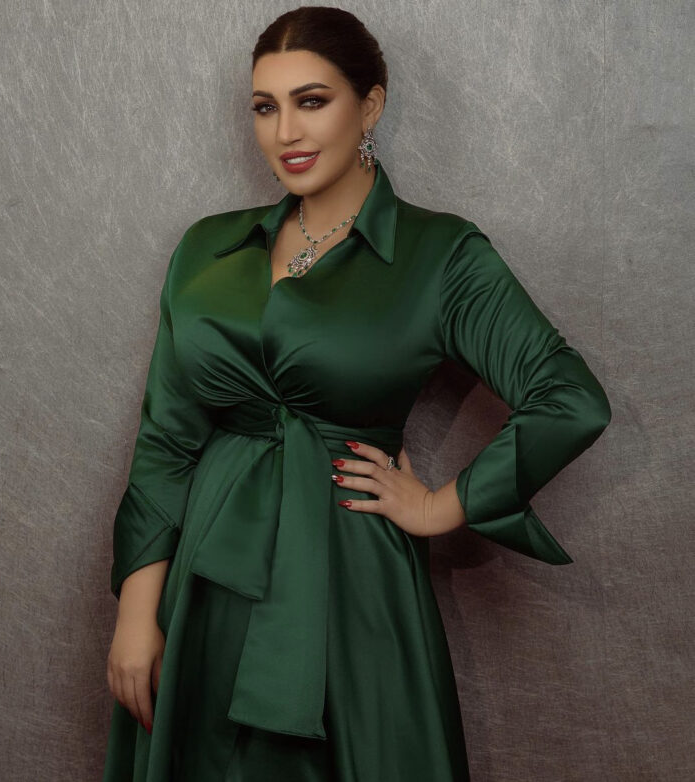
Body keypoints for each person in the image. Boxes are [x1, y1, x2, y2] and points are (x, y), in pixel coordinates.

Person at [101, 6, 611, 781]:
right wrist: (138, 615)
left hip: (351, 580)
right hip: (205, 582)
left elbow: (569, 397)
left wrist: (441, 506)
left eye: (312, 101)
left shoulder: (440, 255)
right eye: (265, 107)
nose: (285, 133)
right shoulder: (205, 250)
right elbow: (166, 440)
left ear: (370, 106)